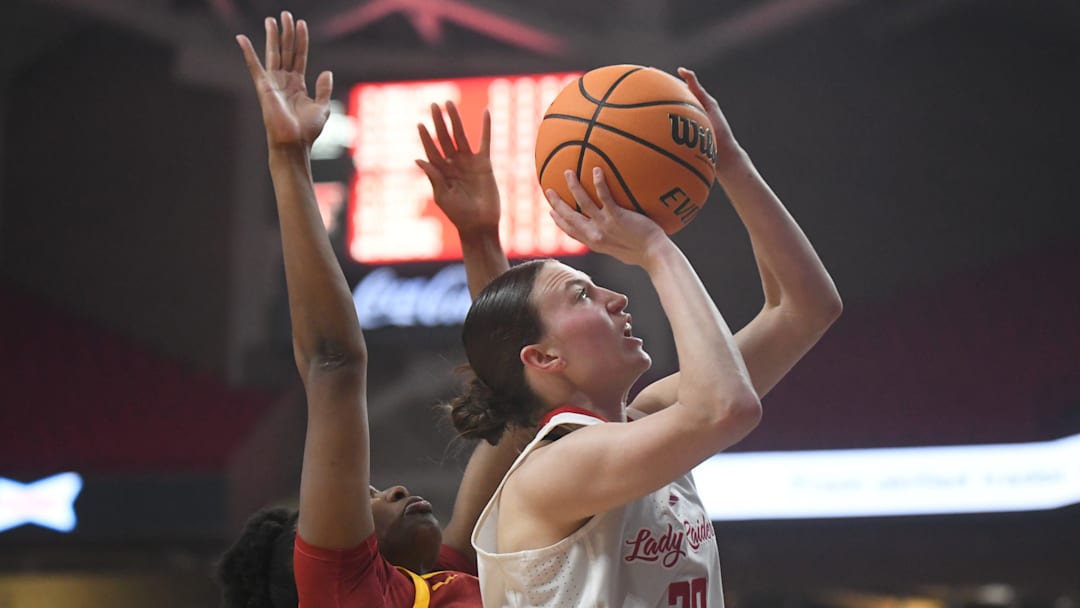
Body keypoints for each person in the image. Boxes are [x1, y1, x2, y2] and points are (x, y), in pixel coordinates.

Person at [451, 69, 843, 606]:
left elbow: (806, 309)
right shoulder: (556, 469)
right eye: (582, 296)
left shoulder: (644, 422)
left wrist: (728, 161)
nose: (616, 298)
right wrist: (654, 251)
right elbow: (726, 408)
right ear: (543, 357)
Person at [218, 12, 519, 607]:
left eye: (370, 491)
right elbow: (333, 364)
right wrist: (288, 160)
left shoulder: (440, 582)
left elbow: (514, 411)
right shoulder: (344, 593)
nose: (393, 489)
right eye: (368, 495)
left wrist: (481, 239)